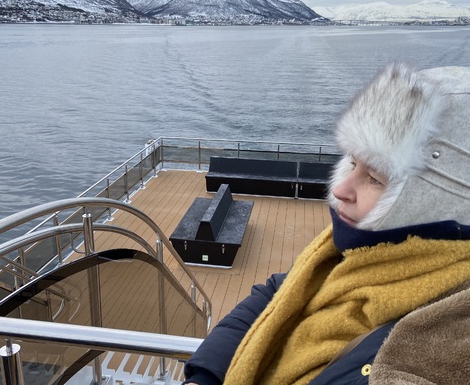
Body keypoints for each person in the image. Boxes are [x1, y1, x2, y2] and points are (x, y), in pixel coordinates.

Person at [183, 63, 470, 385]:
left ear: (439, 199)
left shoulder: (443, 343)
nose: (340, 190)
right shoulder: (358, 252)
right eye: (351, 163)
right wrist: (206, 376)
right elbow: (279, 291)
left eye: (374, 179)